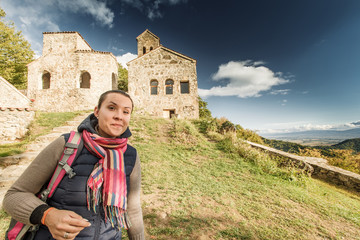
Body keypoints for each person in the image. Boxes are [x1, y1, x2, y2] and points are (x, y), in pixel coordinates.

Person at [4, 90, 145, 240]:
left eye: (126, 112)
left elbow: (133, 209)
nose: (119, 116)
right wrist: (47, 215)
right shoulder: (67, 145)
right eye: (111, 108)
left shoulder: (130, 155)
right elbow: (14, 196)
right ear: (96, 112)